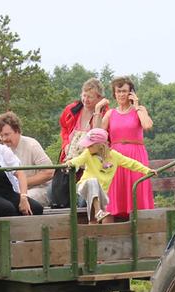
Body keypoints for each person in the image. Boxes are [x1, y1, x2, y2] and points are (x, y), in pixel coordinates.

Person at [66, 128, 153, 224]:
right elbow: (77, 161)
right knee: (92, 181)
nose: (87, 147)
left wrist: (147, 170)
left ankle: (93, 232)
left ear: (100, 145)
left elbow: (131, 163)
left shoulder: (113, 156)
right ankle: (98, 211)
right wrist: (70, 163)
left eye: (90, 145)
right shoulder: (87, 154)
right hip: (84, 191)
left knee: (93, 220)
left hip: (101, 195)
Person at [101, 76, 155, 219]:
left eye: (124, 91)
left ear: (131, 93)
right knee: (113, 195)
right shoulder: (110, 113)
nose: (121, 94)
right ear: (114, 93)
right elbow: (98, 134)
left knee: (137, 191)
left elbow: (147, 125)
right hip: (116, 156)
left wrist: (137, 106)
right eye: (118, 91)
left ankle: (141, 226)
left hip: (136, 154)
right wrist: (96, 110)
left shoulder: (139, 110)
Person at [0, 111, 54, 207]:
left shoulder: (31, 145)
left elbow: (49, 172)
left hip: (38, 189)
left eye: (7, 134)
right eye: (1, 135)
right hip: (12, 191)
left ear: (17, 131)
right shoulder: (0, 149)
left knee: (20, 201)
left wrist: (22, 183)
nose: (4, 139)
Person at [58, 77, 110, 162]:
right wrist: (66, 144)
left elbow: (100, 136)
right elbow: (64, 129)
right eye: (84, 95)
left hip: (91, 161)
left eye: (90, 97)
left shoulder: (106, 114)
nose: (85, 100)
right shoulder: (71, 110)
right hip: (70, 159)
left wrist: (98, 110)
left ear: (99, 98)